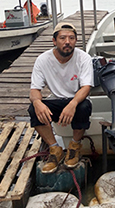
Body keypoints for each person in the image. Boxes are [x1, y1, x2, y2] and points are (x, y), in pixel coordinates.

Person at [28, 22, 94, 173]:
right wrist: (37, 102)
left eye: (71, 38)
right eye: (62, 38)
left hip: (76, 99)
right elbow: (35, 90)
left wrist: (73, 104)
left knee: (83, 106)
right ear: (54, 41)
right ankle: (54, 150)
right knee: (33, 109)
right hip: (57, 100)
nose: (67, 42)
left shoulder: (83, 58)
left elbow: (86, 87)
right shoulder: (43, 60)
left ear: (76, 41)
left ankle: (74, 147)